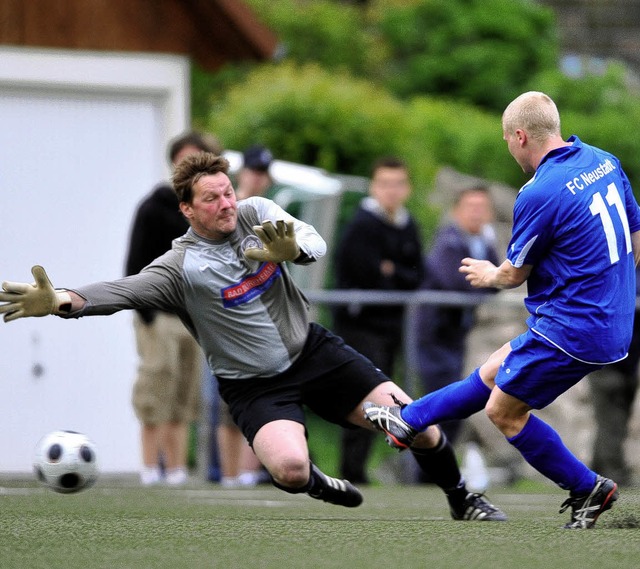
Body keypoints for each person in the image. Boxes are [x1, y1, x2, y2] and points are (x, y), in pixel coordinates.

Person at [0, 152, 505, 521]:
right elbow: (121, 291)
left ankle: (463, 499)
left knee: (420, 424)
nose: (225, 203)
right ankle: (315, 480)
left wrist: (293, 252)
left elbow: (313, 240)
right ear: (187, 210)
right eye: (211, 198)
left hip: (315, 352)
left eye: (227, 191)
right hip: (254, 386)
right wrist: (62, 300)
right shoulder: (180, 267)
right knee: (287, 470)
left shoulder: (255, 213)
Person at [363, 91, 640, 529]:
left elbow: (512, 275)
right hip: (610, 319)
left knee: (503, 412)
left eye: (508, 142)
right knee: (494, 370)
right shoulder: (603, 161)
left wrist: (488, 273)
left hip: (573, 326)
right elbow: (635, 242)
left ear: (520, 135)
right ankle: (407, 420)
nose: (510, 151)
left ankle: (587, 488)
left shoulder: (540, 192)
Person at [125, 130, 221, 485]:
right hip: (159, 316)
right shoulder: (153, 206)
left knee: (185, 394)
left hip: (192, 316)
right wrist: (146, 313)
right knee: (155, 391)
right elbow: (134, 264)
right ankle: (151, 468)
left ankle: (178, 470)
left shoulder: (207, 209)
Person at [333, 156, 424, 484]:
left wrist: (391, 270)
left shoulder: (407, 223)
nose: (392, 191)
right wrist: (389, 273)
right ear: (374, 187)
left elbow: (415, 276)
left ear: (407, 188)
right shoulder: (362, 225)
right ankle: (351, 468)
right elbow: (367, 273)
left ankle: (362, 467)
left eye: (398, 183)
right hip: (361, 328)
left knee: (390, 397)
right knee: (365, 395)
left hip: (393, 327)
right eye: (385, 184)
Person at [417, 185, 499, 446]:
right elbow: (454, 281)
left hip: (459, 336)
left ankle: (438, 470)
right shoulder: (448, 242)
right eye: (470, 207)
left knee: (457, 407)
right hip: (434, 335)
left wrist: (490, 281)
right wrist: (487, 283)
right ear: (456, 211)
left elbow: (498, 280)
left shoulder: (484, 242)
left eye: (481, 208)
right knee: (439, 403)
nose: (476, 214)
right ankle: (422, 475)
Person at [588, 267, 640, 486]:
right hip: (606, 362)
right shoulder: (616, 271)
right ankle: (612, 470)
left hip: (628, 364)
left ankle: (597, 468)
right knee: (611, 418)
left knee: (617, 417)